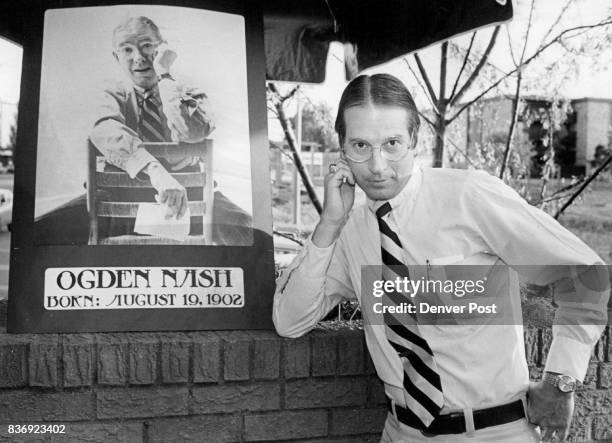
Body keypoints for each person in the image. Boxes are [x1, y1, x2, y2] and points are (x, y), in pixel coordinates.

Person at [273, 74, 609, 442]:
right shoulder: (349, 228)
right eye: (360, 145)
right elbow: (290, 321)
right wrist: (329, 223)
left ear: (414, 140)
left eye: (392, 143)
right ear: (342, 148)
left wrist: (561, 381)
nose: (377, 165)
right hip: (403, 433)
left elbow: (585, 273)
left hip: (494, 433)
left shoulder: (468, 196)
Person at [34, 16, 252, 245]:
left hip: (191, 201)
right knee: (41, 230)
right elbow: (105, 128)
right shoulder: (108, 93)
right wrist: (155, 171)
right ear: (116, 57)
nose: (138, 58)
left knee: (251, 233)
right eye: (127, 49)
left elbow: (194, 132)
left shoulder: (188, 91)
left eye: (147, 46)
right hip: (116, 200)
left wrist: (165, 77)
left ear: (163, 48)